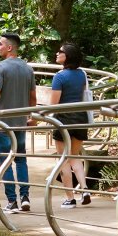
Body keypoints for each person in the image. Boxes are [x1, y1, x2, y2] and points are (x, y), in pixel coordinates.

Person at [0, 32, 36, 213]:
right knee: (20, 160)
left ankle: (12, 201)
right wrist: (30, 116)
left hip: (3, 124)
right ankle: (25, 197)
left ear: (9, 47)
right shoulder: (28, 68)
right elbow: (33, 97)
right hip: (20, 123)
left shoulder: (0, 68)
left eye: (0, 44)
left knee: (5, 161)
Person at [49, 41, 91, 207]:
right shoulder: (82, 74)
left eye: (60, 52)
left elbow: (54, 104)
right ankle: (85, 189)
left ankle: (70, 198)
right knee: (74, 157)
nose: (57, 54)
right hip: (81, 118)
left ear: (68, 56)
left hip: (63, 120)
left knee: (63, 159)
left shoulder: (59, 77)